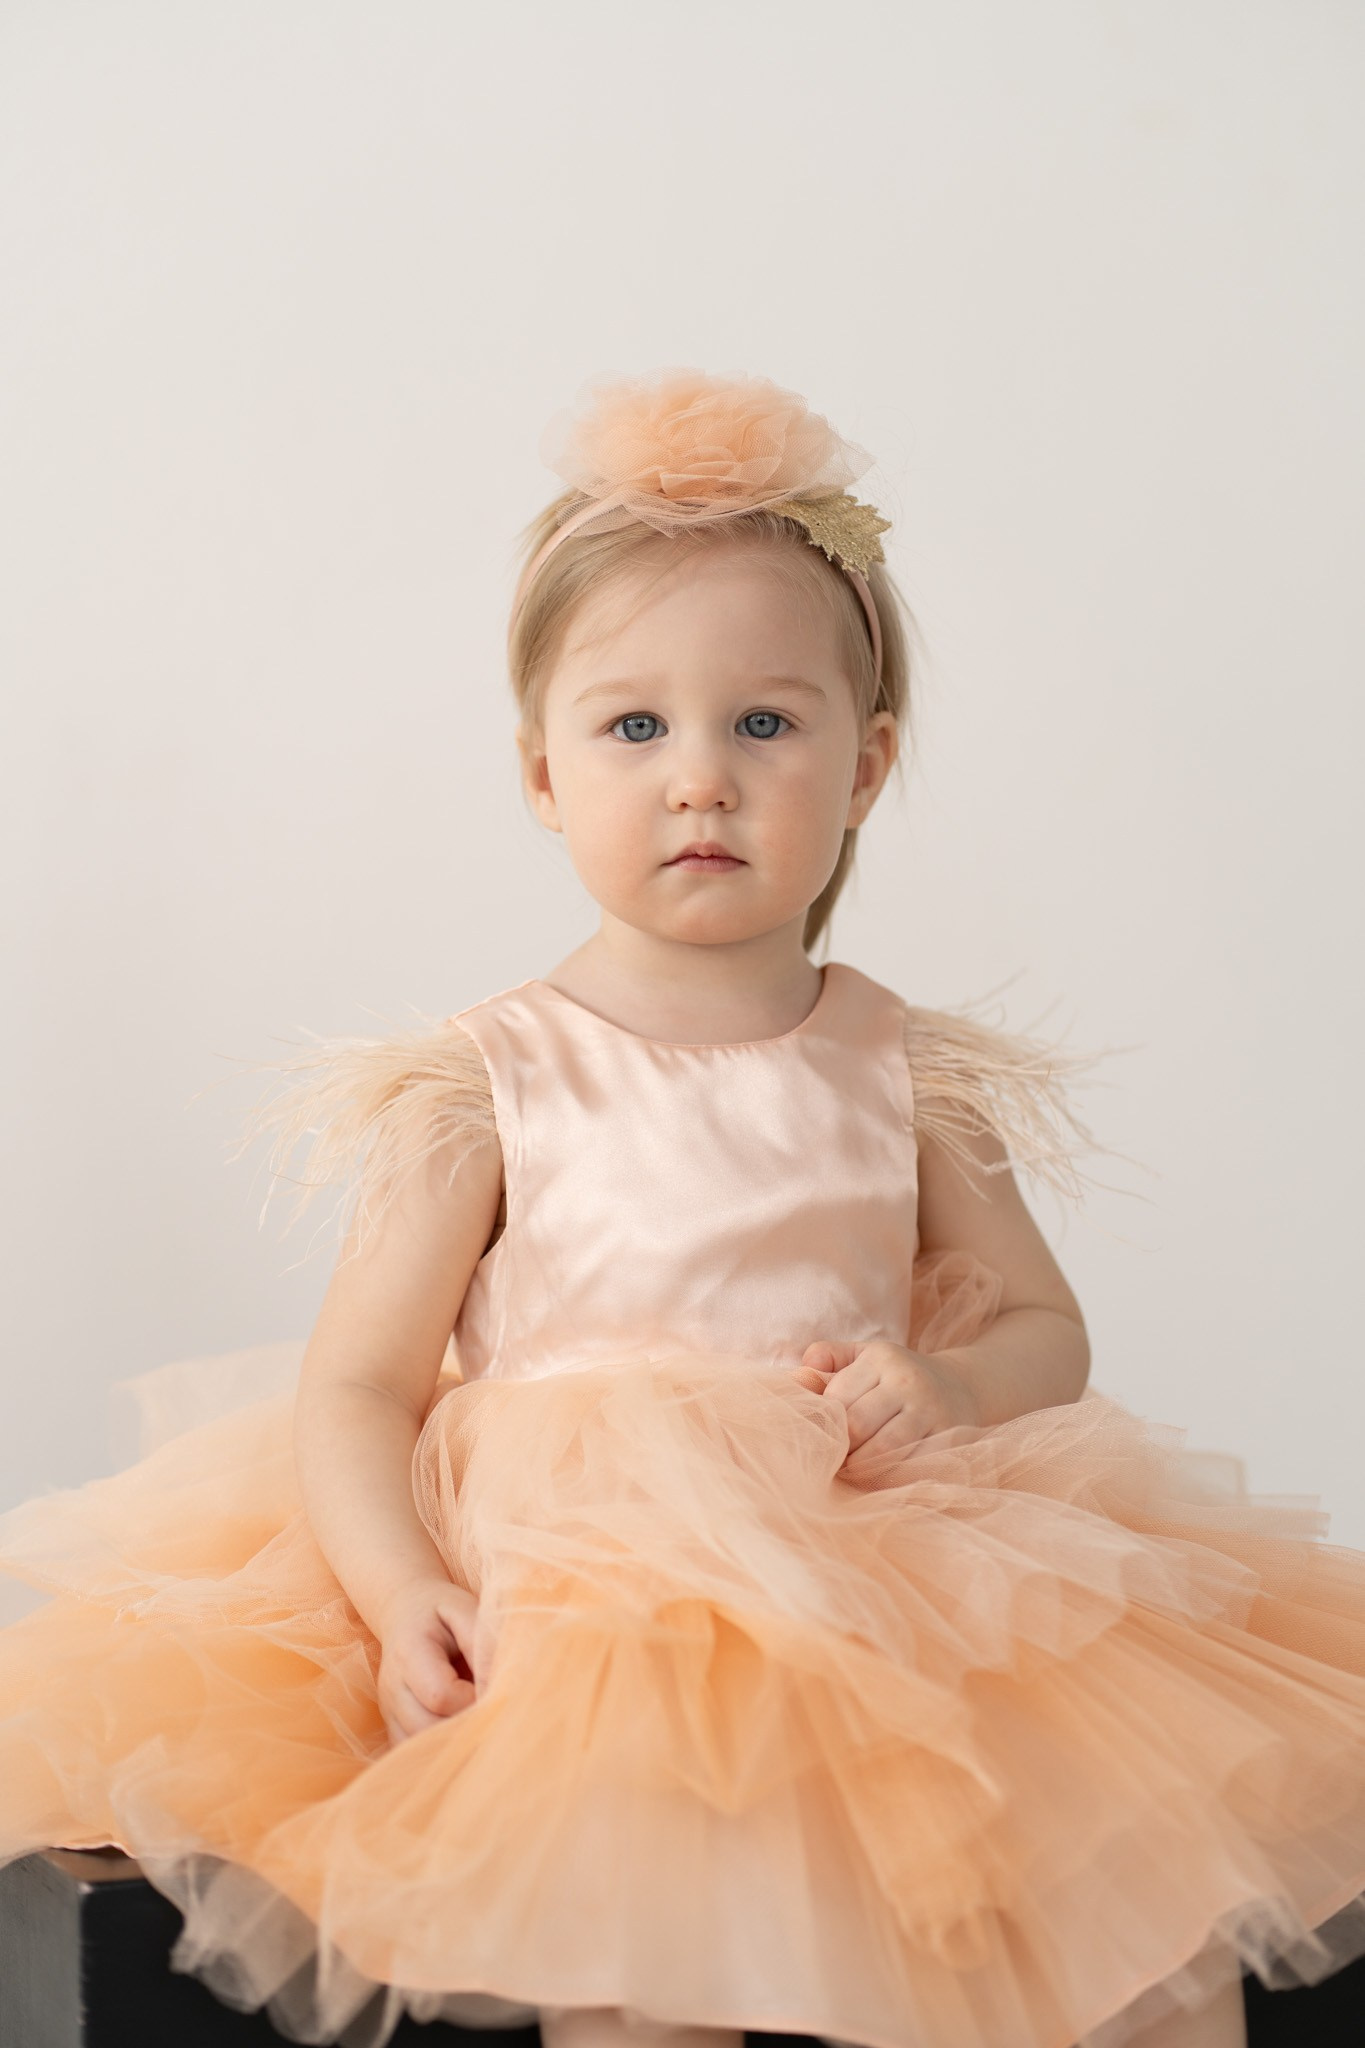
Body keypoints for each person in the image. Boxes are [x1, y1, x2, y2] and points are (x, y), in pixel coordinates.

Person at [1, 367, 1363, 2048]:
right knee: (642, 1947)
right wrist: (400, 1586)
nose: (700, 779)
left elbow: (1043, 1327)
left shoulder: (907, 1070)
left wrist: (950, 1383)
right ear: (541, 773)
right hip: (578, 1591)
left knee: (1107, 1915)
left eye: (763, 725)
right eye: (634, 727)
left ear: (863, 766)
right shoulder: (483, 1081)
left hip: (872, 1558)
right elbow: (355, 1384)